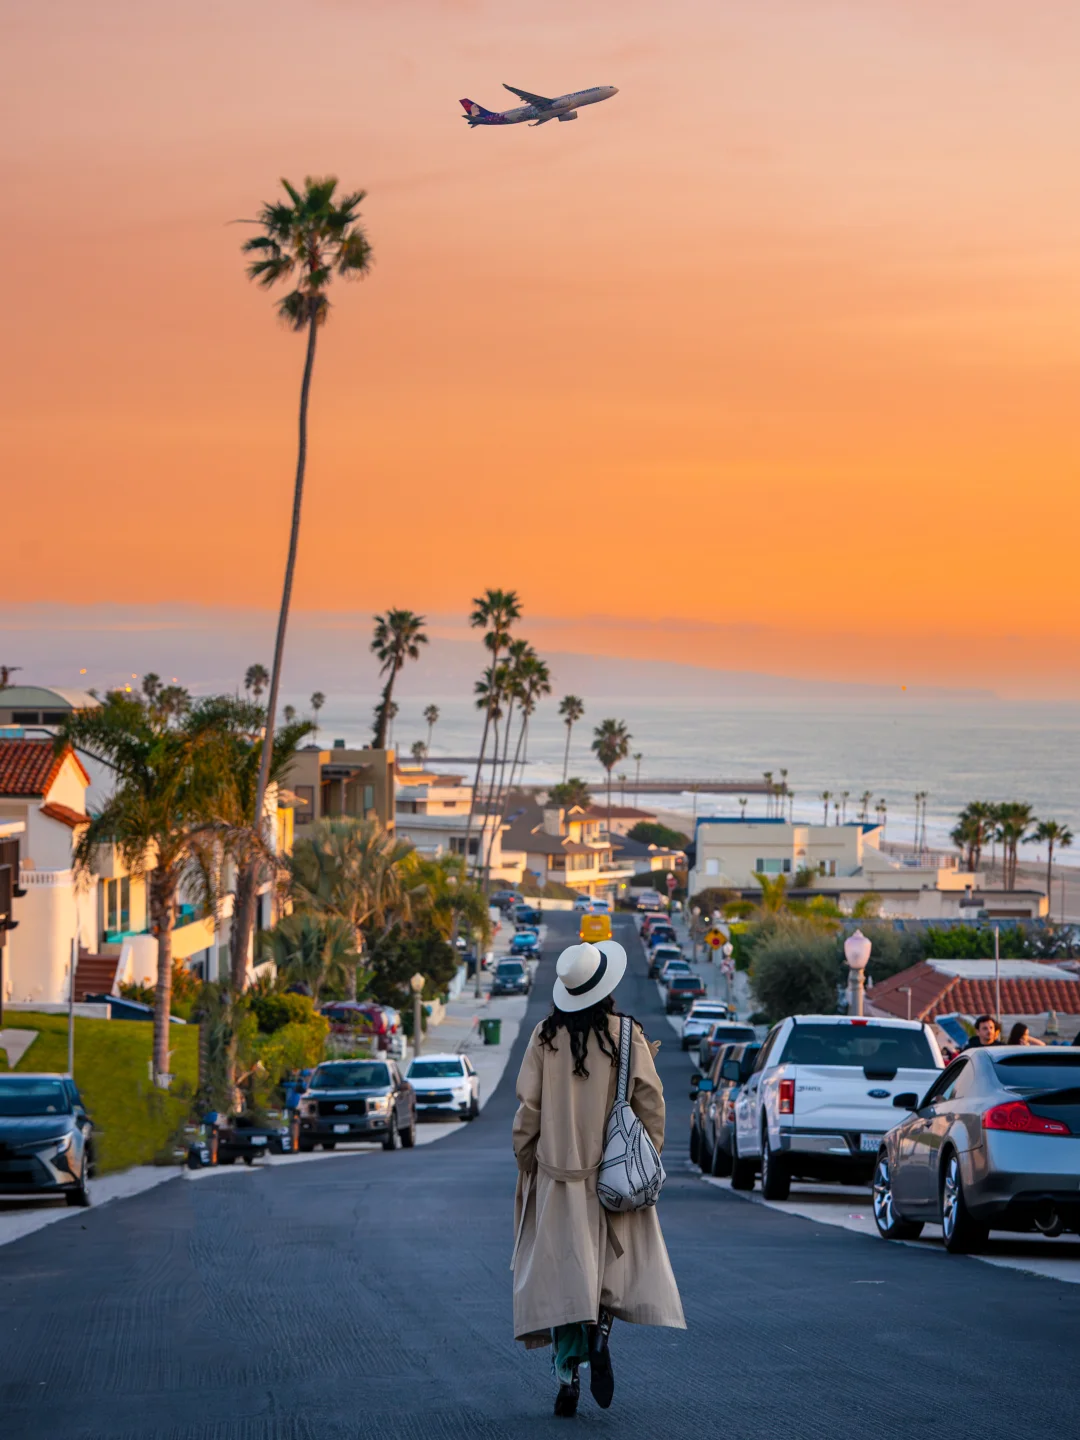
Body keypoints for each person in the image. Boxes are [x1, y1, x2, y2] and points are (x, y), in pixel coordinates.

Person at [512, 939, 685, 1418]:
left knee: (564, 1277)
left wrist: (525, 1156)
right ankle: (599, 1331)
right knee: (607, 1271)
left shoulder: (544, 1038)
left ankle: (567, 1371)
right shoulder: (626, 1036)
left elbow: (529, 1110)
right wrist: (647, 1154)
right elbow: (651, 1101)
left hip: (556, 1177)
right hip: (611, 1178)